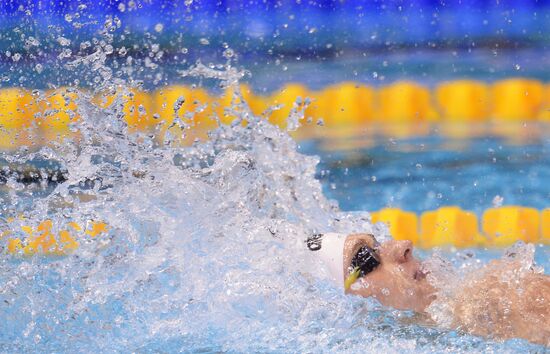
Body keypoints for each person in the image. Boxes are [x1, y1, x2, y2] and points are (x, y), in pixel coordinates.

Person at [306, 233, 550, 346]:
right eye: (365, 258)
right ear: (346, 301)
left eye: (377, 243)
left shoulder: (504, 297)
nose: (403, 245)